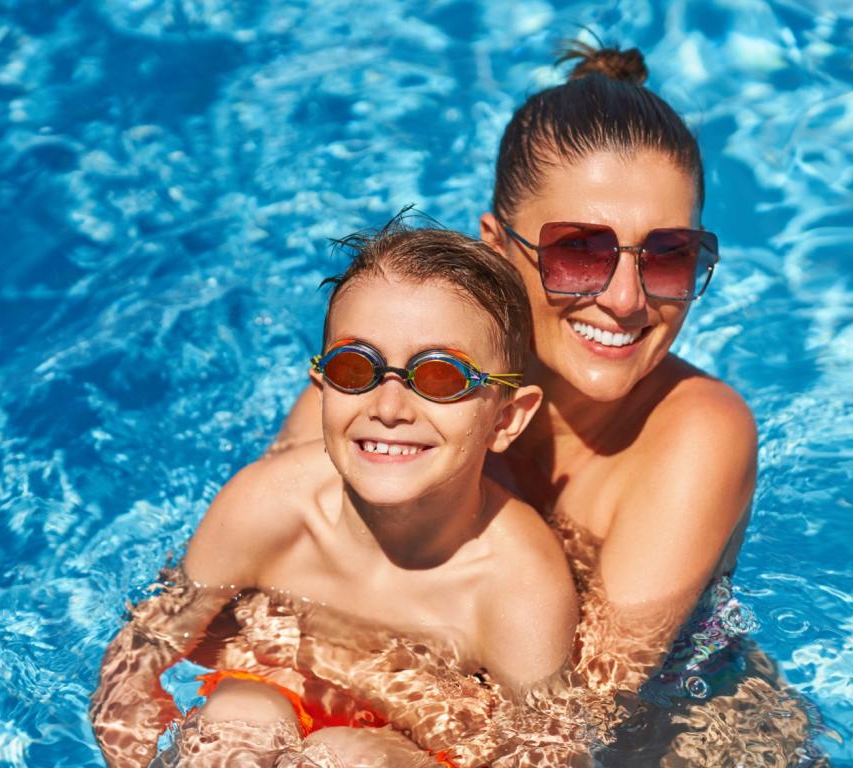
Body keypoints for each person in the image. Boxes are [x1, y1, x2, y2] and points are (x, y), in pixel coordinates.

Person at [275, 43, 756, 691]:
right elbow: (256, 559)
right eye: (580, 251)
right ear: (496, 246)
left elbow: (588, 712)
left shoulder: (698, 431)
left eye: (668, 255)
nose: (625, 299)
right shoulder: (395, 375)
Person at [91, 224, 579, 767]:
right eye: (357, 368)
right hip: (268, 699)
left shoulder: (518, 586)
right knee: (235, 725)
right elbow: (144, 650)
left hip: (412, 751)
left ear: (507, 418)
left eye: (441, 377)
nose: (390, 408)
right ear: (322, 388)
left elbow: (545, 753)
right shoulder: (268, 505)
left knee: (341, 755)